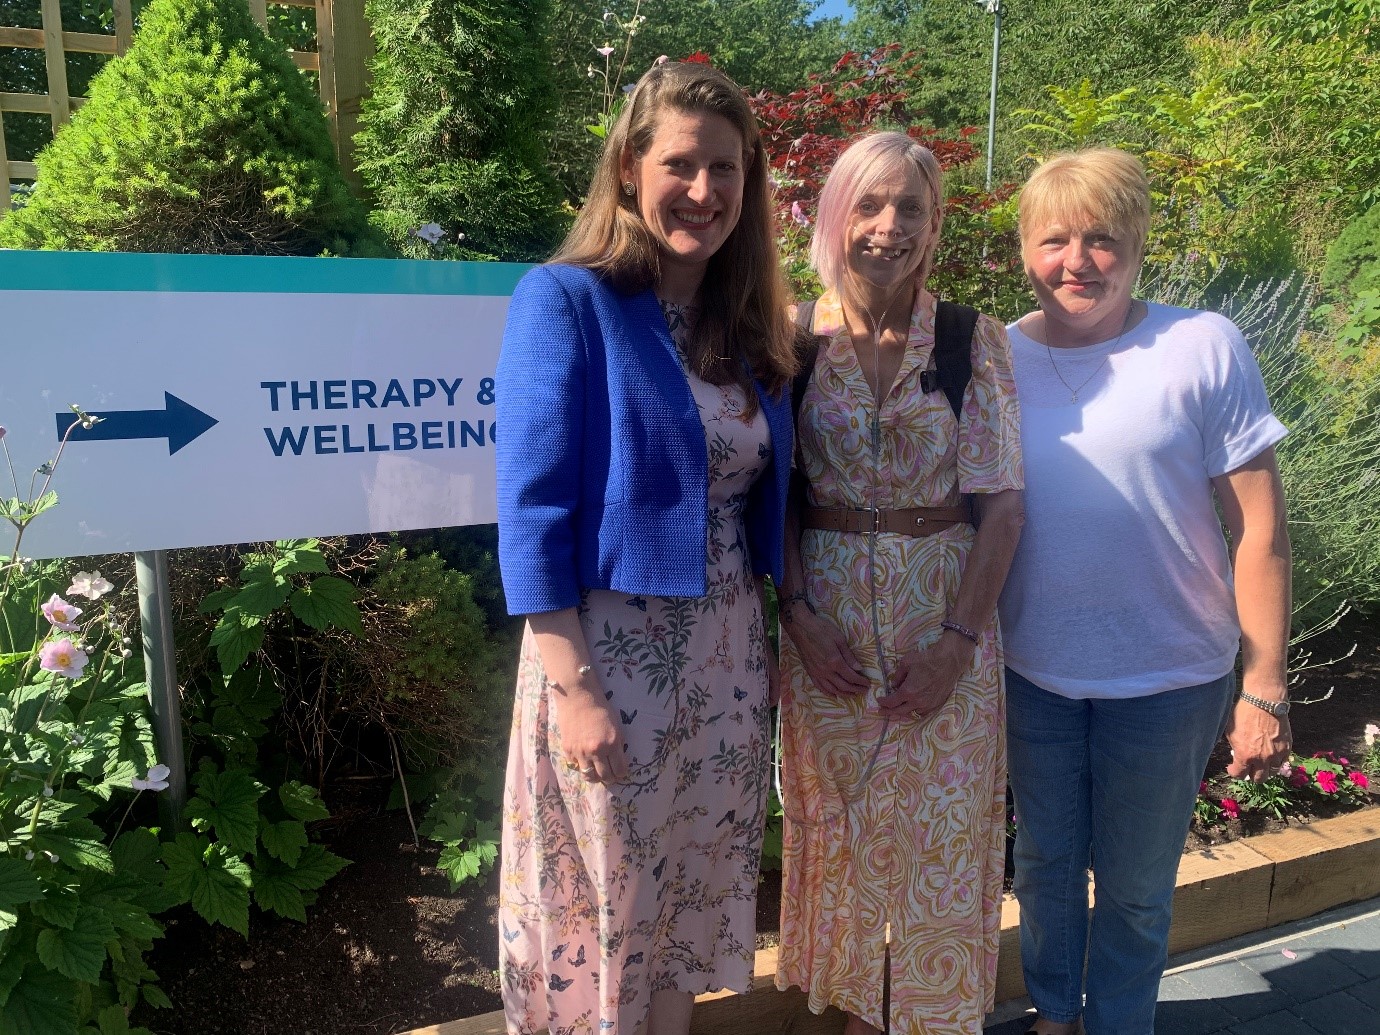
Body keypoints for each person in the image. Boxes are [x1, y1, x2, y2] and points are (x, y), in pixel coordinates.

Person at [494, 60, 796, 1035]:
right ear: (630, 168)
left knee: (686, 902)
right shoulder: (567, 301)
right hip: (611, 663)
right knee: (605, 905)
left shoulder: (743, 328)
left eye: (725, 170)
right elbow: (531, 506)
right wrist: (574, 690)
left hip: (727, 663)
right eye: (680, 164)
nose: (703, 192)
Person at [998, 147, 1292, 1035]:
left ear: (1137, 244)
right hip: (1033, 669)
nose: (1078, 260)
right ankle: (1054, 1012)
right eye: (1054, 239)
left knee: (1133, 885)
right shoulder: (998, 358)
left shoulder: (1201, 345)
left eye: (1103, 239)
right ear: (1024, 249)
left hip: (1168, 677)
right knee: (1044, 864)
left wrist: (1266, 682)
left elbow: (1263, 530)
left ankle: (1121, 1021)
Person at [775, 131, 1026, 1035]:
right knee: (839, 846)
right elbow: (779, 497)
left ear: (934, 224)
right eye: (868, 205)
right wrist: (796, 612)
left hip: (945, 639)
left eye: (910, 208)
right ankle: (854, 1020)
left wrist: (958, 645)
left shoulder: (970, 341)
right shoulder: (794, 337)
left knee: (941, 849)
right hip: (827, 643)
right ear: (836, 216)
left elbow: (1002, 508)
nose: (888, 226)